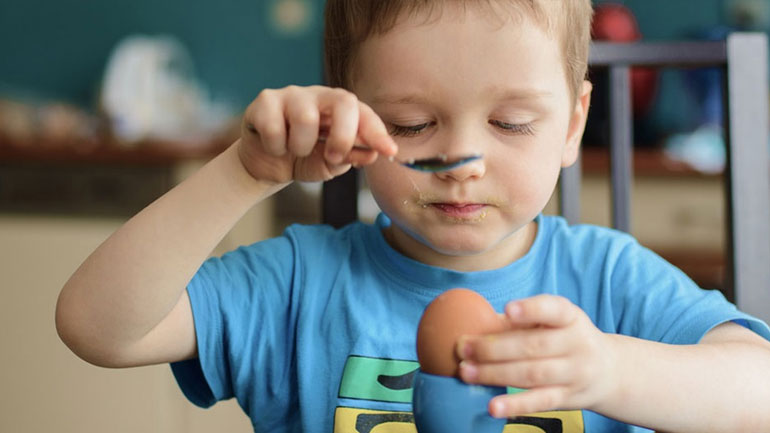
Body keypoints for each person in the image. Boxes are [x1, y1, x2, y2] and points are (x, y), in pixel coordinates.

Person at [55, 0, 770, 432]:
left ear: (574, 123)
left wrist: (610, 367)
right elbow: (96, 326)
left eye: (511, 122)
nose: (462, 156)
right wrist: (244, 173)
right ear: (350, 114)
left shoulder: (610, 282)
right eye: (413, 122)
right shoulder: (301, 285)